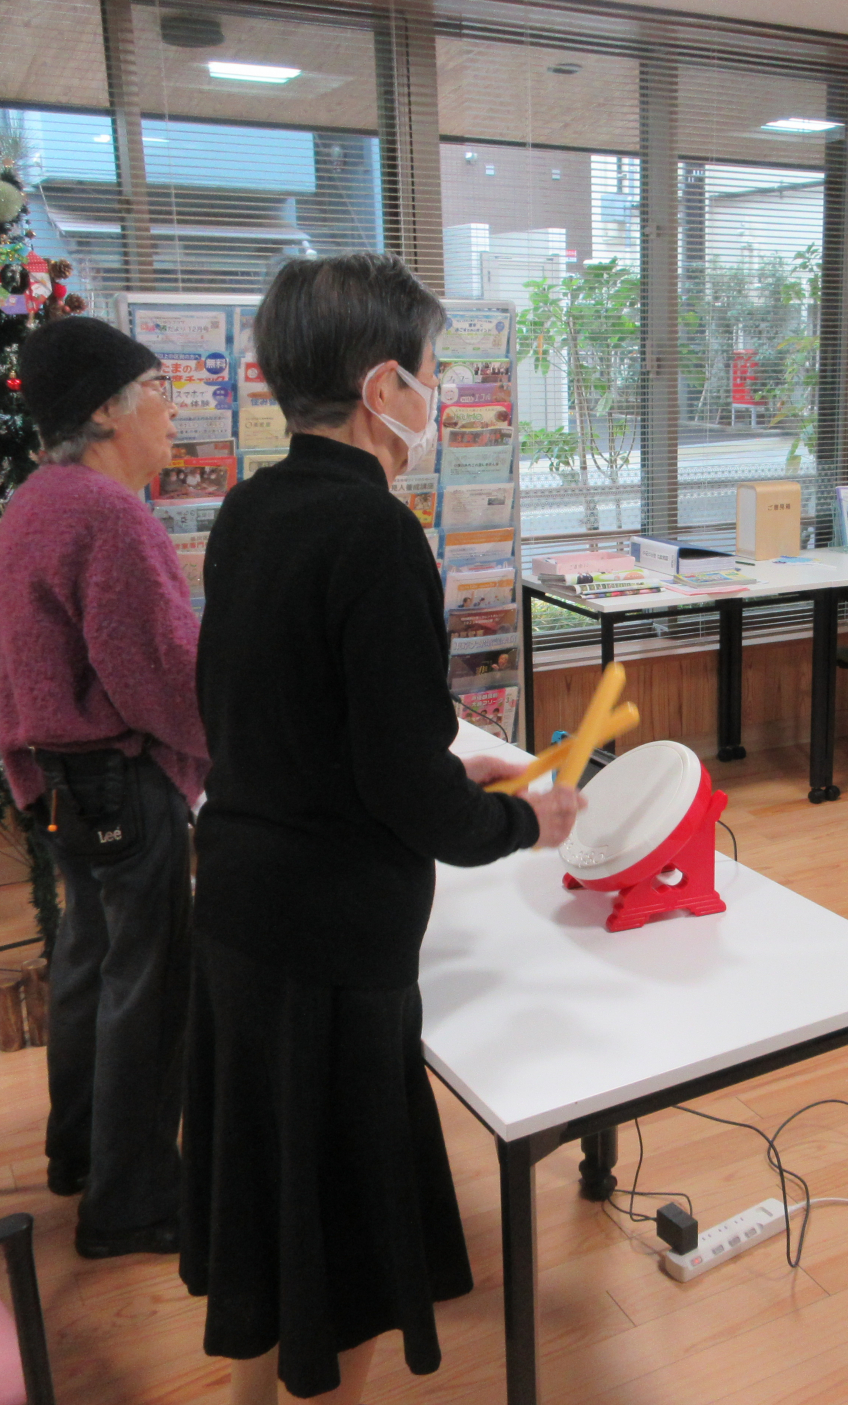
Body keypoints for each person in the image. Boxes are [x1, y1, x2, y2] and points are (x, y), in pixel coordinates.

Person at [182, 252, 583, 1405]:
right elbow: (409, 797)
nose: (438, 393)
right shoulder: (376, 532)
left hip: (241, 906)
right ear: (381, 389)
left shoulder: (252, 509)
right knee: (341, 1234)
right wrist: (525, 820)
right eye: (430, 371)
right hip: (331, 940)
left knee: (275, 1199)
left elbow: (295, 718)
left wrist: (454, 766)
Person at [0, 316, 207, 1259]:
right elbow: (160, 677)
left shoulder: (34, 504)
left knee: (90, 965)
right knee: (147, 992)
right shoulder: (109, 515)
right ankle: (131, 1205)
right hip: (122, 784)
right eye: (158, 391)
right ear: (107, 412)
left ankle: (77, 1153)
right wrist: (231, 742)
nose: (172, 410)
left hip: (61, 787)